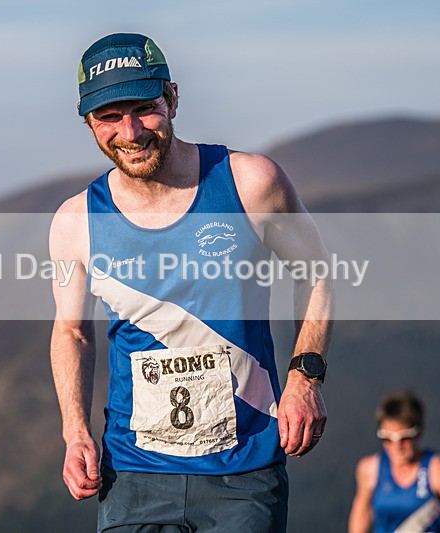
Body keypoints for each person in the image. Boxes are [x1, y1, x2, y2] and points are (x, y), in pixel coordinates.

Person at [50, 33, 333, 532]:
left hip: (244, 474)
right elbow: (72, 332)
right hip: (133, 476)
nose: (130, 132)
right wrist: (75, 432)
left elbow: (316, 273)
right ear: (88, 121)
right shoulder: (76, 222)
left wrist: (304, 377)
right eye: (109, 117)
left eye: (145, 108)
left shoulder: (250, 183)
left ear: (173, 98)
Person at [348, 391, 440, 533]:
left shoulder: (437, 470)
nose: (396, 446)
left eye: (405, 438)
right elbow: (362, 513)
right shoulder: (370, 469)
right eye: (387, 438)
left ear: (419, 431)